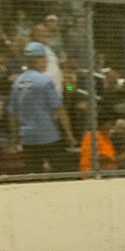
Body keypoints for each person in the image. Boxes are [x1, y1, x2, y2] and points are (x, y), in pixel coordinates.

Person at [7, 41, 76, 174]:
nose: (46, 62)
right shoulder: (45, 81)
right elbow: (60, 108)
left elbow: (12, 113)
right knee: (63, 171)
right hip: (47, 135)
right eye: (44, 58)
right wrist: (69, 134)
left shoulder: (17, 82)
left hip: (28, 138)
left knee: (34, 173)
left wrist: (15, 138)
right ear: (37, 59)